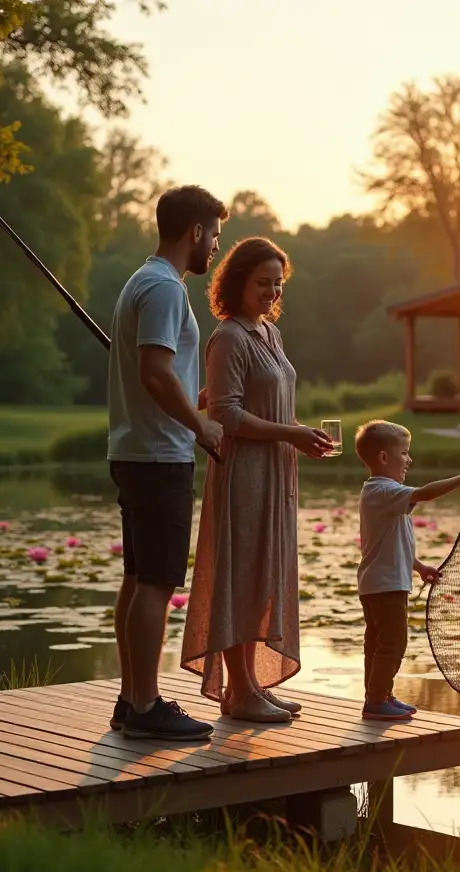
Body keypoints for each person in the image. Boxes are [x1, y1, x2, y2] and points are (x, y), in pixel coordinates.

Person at [182, 237, 334, 722]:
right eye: (262, 283)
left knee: (263, 575)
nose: (270, 292)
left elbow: (264, 400)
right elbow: (225, 413)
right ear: (238, 283)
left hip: (276, 472)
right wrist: (291, 432)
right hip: (243, 472)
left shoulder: (270, 334)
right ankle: (239, 692)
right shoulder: (228, 336)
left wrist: (295, 437)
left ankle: (250, 687)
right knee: (242, 576)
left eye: (277, 283)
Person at [107, 185, 228, 741]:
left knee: (137, 577)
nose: (216, 248)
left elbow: (164, 376)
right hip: (159, 456)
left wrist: (194, 401)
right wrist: (198, 425)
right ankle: (147, 705)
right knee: (155, 581)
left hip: (139, 450)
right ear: (195, 232)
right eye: (215, 236)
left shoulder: (145, 281)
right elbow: (155, 372)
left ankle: (132, 700)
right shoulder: (163, 288)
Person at [354, 420, 460, 721]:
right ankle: (376, 700)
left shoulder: (379, 492)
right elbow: (426, 493)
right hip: (386, 585)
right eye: (404, 453)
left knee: (378, 643)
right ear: (383, 458)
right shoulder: (384, 490)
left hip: (379, 582)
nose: (409, 460)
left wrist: (418, 567)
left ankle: (378, 695)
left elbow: (390, 543)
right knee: (393, 643)